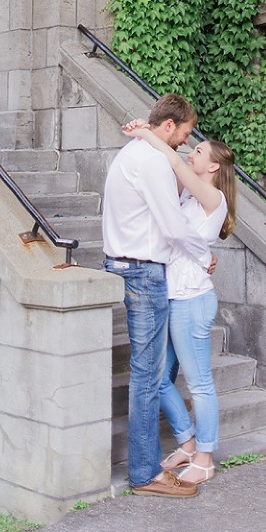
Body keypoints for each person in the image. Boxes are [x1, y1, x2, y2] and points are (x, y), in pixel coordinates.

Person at [102, 93, 215, 498]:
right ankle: (146, 474)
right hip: (145, 272)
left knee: (150, 372)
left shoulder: (130, 153)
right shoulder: (152, 162)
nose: (185, 142)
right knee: (148, 376)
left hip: (127, 263)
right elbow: (172, 226)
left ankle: (177, 447)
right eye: (184, 134)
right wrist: (204, 255)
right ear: (169, 126)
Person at [122, 119, 237, 486]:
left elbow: (173, 163)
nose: (191, 151)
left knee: (200, 383)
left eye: (199, 151)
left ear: (214, 166)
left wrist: (145, 134)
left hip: (192, 300)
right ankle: (187, 441)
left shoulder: (212, 197)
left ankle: (205, 456)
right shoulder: (189, 195)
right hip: (171, 297)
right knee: (155, 378)